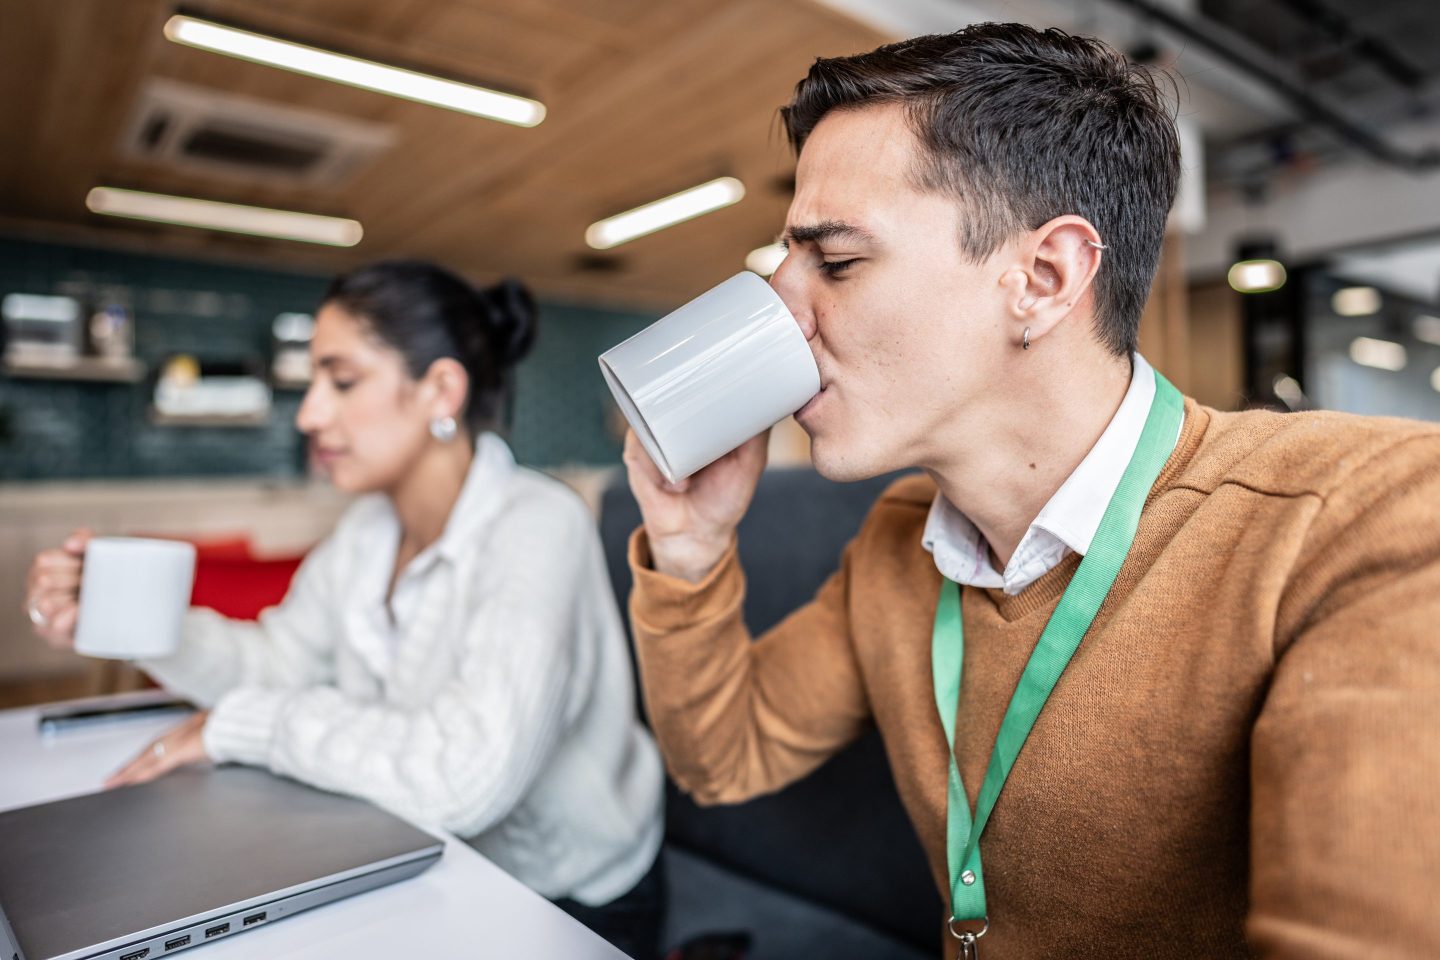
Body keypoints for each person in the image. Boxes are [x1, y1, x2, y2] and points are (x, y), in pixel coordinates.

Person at [619, 24, 1440, 960]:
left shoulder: (1367, 517)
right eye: (786, 263)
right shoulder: (900, 543)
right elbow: (724, 758)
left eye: (836, 262)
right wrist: (690, 550)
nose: (780, 308)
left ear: (1044, 279)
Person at [26, 260, 666, 959]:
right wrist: (132, 617)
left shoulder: (539, 524)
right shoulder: (365, 531)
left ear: (441, 390)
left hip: (564, 895)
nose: (308, 414)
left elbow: (463, 778)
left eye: (342, 379)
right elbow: (275, 664)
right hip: (426, 856)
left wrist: (242, 727)